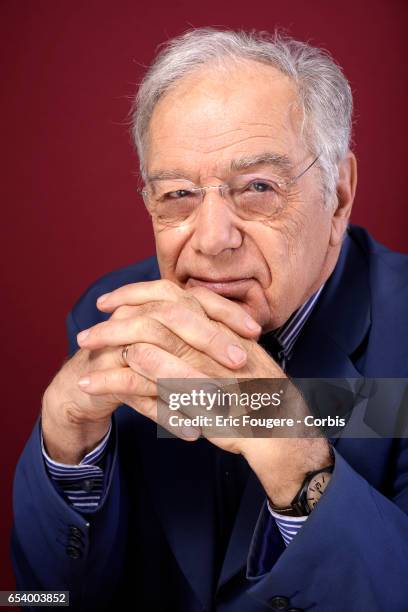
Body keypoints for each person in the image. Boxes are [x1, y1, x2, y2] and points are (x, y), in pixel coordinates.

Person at [12, 28, 408, 611]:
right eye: (177, 194)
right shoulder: (107, 315)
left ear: (339, 196)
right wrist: (64, 447)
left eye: (257, 188)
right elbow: (51, 598)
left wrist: (299, 462)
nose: (212, 240)